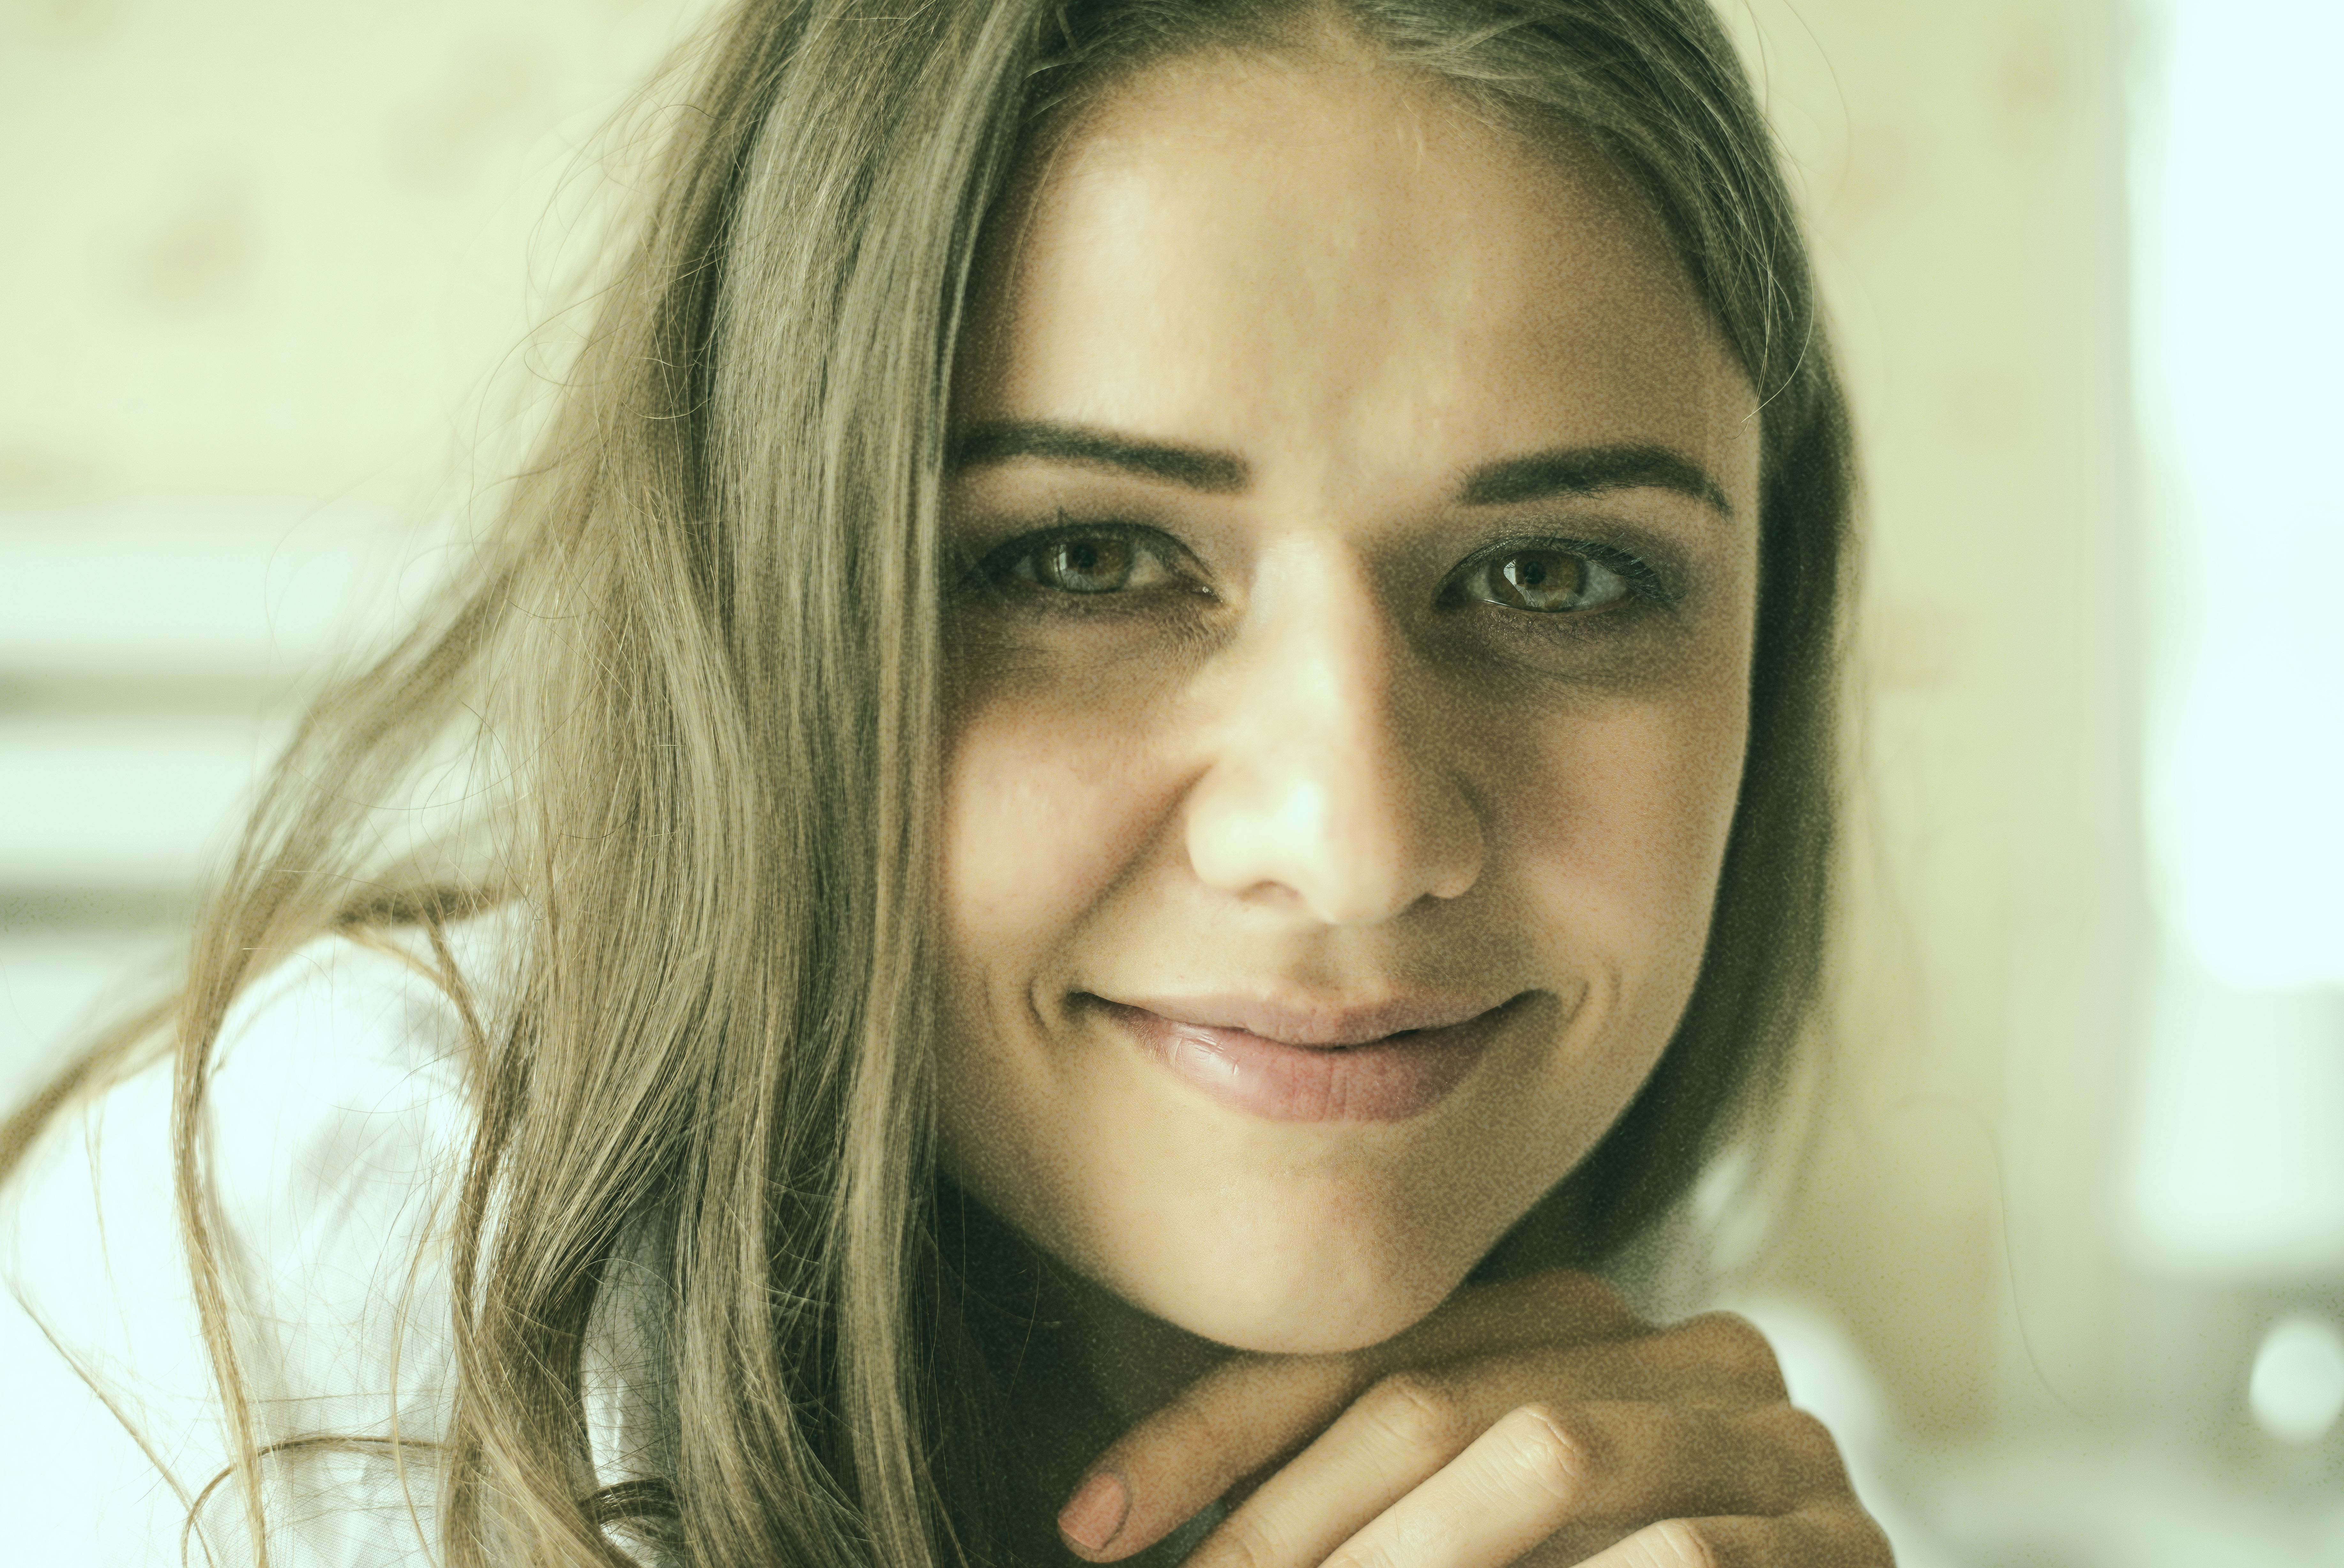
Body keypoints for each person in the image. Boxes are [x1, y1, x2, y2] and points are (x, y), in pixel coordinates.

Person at [0, 1, 1886, 1564]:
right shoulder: (330, 1268)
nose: (1357, 844)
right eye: (1083, 563)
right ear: (762, 609)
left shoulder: (1672, 1431)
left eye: (1557, 578)